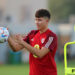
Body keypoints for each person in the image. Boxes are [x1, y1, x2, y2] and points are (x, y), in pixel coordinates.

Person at [8, 9, 58, 75]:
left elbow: (40, 54)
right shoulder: (32, 34)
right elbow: (15, 48)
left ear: (47, 21)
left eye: (39, 20)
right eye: (36, 19)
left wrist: (23, 42)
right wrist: (7, 36)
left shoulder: (51, 37)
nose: (36, 22)